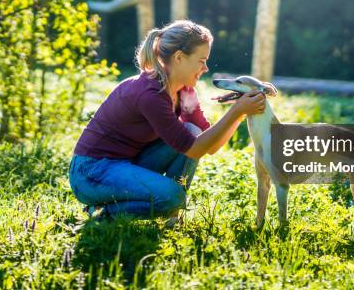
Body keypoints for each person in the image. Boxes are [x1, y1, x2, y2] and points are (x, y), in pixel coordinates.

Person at [68, 20, 265, 221]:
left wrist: (240, 114)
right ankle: (103, 214)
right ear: (179, 57)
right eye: (201, 60)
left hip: (127, 164)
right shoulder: (150, 93)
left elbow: (210, 146)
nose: (206, 68)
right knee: (173, 196)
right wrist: (234, 112)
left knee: (193, 131)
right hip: (92, 172)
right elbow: (195, 149)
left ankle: (170, 214)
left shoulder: (185, 92)